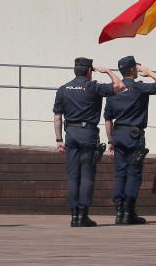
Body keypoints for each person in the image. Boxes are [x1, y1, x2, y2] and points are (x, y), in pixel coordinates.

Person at [53, 56, 125, 227]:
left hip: (70, 133)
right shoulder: (93, 87)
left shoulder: (63, 89)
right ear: (88, 71)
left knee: (72, 175)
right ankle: (83, 215)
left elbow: (57, 117)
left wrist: (58, 139)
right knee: (86, 175)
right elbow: (120, 86)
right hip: (88, 133)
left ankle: (73, 216)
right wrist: (108, 71)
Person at [103, 55, 156, 225]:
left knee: (120, 173)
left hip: (118, 134)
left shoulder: (114, 90)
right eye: (136, 68)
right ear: (132, 70)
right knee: (134, 173)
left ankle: (120, 212)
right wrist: (149, 72)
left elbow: (108, 119)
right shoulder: (139, 87)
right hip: (134, 135)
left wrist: (110, 140)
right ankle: (129, 212)